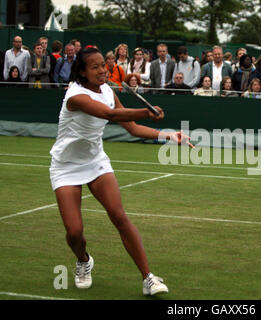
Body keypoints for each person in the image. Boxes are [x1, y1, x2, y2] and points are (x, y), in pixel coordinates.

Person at [49, 46, 192, 295]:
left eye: (103, 65)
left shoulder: (107, 90)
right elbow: (110, 114)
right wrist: (148, 112)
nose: (102, 70)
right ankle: (83, 260)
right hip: (65, 166)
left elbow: (133, 128)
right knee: (74, 232)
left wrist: (168, 134)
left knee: (119, 216)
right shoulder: (75, 95)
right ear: (82, 72)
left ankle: (148, 278)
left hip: (96, 162)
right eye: (95, 67)